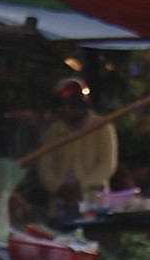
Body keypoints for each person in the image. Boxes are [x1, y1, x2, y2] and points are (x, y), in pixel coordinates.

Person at [34, 78, 119, 210]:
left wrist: (81, 185)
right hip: (60, 204)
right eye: (62, 106)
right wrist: (59, 187)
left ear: (82, 105)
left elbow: (107, 165)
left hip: (94, 202)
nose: (66, 110)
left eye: (71, 106)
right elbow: (44, 168)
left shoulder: (102, 127)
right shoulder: (53, 132)